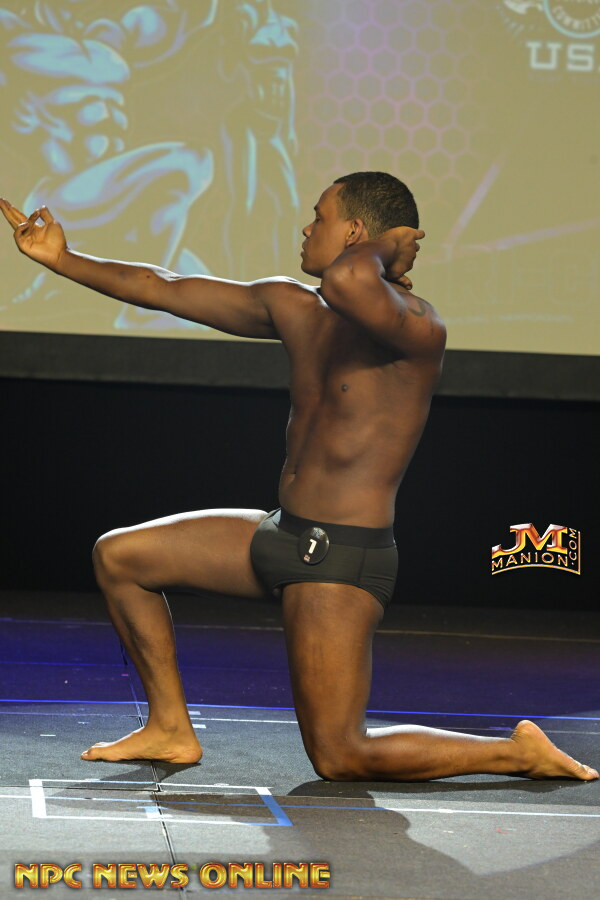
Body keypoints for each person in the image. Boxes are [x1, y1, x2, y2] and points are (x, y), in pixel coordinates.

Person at [1, 173, 597, 782]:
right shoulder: (295, 307)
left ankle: (516, 752)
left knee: (340, 755)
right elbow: (165, 287)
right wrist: (63, 260)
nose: (307, 229)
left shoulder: (416, 328)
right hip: (282, 532)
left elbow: (348, 281)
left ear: (357, 234)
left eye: (320, 217)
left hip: (339, 558)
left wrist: (386, 247)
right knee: (120, 557)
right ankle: (170, 728)